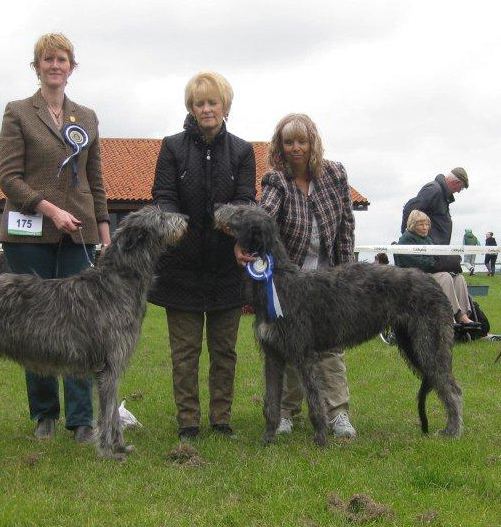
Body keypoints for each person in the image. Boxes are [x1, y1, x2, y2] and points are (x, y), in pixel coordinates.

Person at [0, 33, 111, 443]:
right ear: (37, 66)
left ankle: (81, 419)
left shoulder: (88, 117)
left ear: (72, 66)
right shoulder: (18, 113)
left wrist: (104, 232)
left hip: (78, 233)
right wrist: (48, 208)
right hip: (29, 234)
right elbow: (8, 178)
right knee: (36, 326)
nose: (55, 65)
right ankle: (44, 414)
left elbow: (96, 181)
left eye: (62, 59)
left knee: (81, 326)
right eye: (48, 59)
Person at [149, 71, 256, 440]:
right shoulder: (172, 147)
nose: (206, 109)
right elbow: (163, 194)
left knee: (225, 352)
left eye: (212, 102)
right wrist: (173, 224)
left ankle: (221, 418)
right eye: (199, 103)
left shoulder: (242, 151)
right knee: (185, 353)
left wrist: (233, 226)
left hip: (227, 267)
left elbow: (245, 199)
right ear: (191, 108)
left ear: (225, 105)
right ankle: (188, 421)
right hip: (181, 267)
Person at [236, 113, 356, 438]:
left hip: (329, 276)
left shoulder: (334, 174)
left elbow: (345, 225)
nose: (295, 148)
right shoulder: (277, 180)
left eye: (301, 141)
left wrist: (346, 272)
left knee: (331, 347)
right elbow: (267, 213)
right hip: (290, 280)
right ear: (280, 146)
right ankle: (287, 413)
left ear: (312, 143)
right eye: (289, 142)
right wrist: (245, 234)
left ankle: (338, 413)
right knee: (288, 347)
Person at [396, 210, 474, 325]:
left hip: (430, 272)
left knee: (459, 278)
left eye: (427, 224)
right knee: (445, 277)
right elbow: (415, 263)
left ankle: (462, 314)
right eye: (421, 224)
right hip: (415, 276)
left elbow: (436, 255)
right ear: (413, 225)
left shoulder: (427, 239)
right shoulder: (406, 240)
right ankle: (448, 315)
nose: (425, 227)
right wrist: (436, 263)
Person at [401, 167, 469, 245]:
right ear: (457, 182)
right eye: (461, 188)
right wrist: (407, 239)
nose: (459, 191)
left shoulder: (442, 194)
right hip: (429, 249)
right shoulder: (434, 190)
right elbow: (409, 209)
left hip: (435, 248)